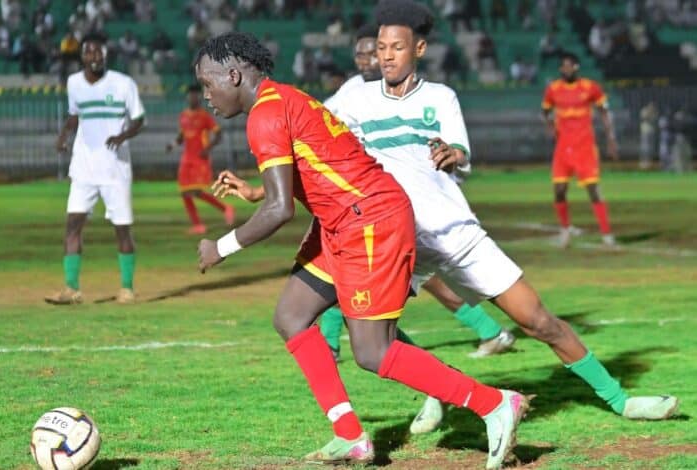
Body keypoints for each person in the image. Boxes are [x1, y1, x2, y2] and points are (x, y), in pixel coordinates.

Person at [217, 0, 678, 427]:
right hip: (392, 234)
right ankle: (431, 395)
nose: (386, 56)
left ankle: (619, 399)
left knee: (537, 321)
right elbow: (306, 141)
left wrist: (453, 153)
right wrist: (259, 190)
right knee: (362, 327)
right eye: (381, 47)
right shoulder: (354, 98)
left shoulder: (441, 97)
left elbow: (460, 150)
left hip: (453, 232)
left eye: (396, 47)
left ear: (419, 49)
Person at [194, 31, 529, 469]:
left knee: (373, 351)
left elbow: (279, 210)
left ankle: (494, 404)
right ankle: (350, 436)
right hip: (341, 222)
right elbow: (313, 170)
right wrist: (259, 192)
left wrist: (220, 247)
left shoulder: (266, 115)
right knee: (291, 317)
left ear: (234, 75)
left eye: (208, 84)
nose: (207, 95)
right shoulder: (284, 99)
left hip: (369, 222)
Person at [322, 21, 514, 372]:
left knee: (360, 280)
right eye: (363, 53)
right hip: (373, 204)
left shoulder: (423, 95)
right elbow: (319, 124)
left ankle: (334, 346)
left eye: (375, 51)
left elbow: (450, 149)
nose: (369, 59)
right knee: (365, 278)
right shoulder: (352, 93)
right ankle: (488, 333)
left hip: (418, 206)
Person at [45, 34, 145, 306]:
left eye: (100, 52)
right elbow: (74, 115)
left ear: (106, 55)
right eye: (90, 52)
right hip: (84, 168)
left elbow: (139, 119)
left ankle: (127, 288)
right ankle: (71, 289)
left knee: (122, 229)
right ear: (82, 56)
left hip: (115, 169)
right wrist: (63, 136)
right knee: (72, 225)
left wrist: (122, 136)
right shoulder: (74, 83)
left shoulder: (123, 84)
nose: (96, 57)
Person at [541, 52, 619, 248]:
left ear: (576, 67)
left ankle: (607, 234)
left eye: (569, 66)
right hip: (563, 147)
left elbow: (604, 111)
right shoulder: (553, 89)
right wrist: (549, 126)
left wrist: (611, 139)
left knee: (593, 190)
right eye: (563, 66)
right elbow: (545, 111)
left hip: (584, 147)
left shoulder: (590, 87)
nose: (566, 69)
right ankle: (565, 230)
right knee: (559, 190)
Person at [166, 84, 234, 235]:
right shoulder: (183, 116)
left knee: (196, 191)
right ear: (187, 97)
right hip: (186, 158)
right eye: (190, 95)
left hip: (199, 159)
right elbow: (181, 136)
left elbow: (219, 134)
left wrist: (207, 149)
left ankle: (225, 209)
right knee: (185, 192)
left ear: (199, 98)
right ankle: (198, 225)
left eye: (195, 95)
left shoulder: (204, 116)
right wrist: (172, 145)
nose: (193, 98)